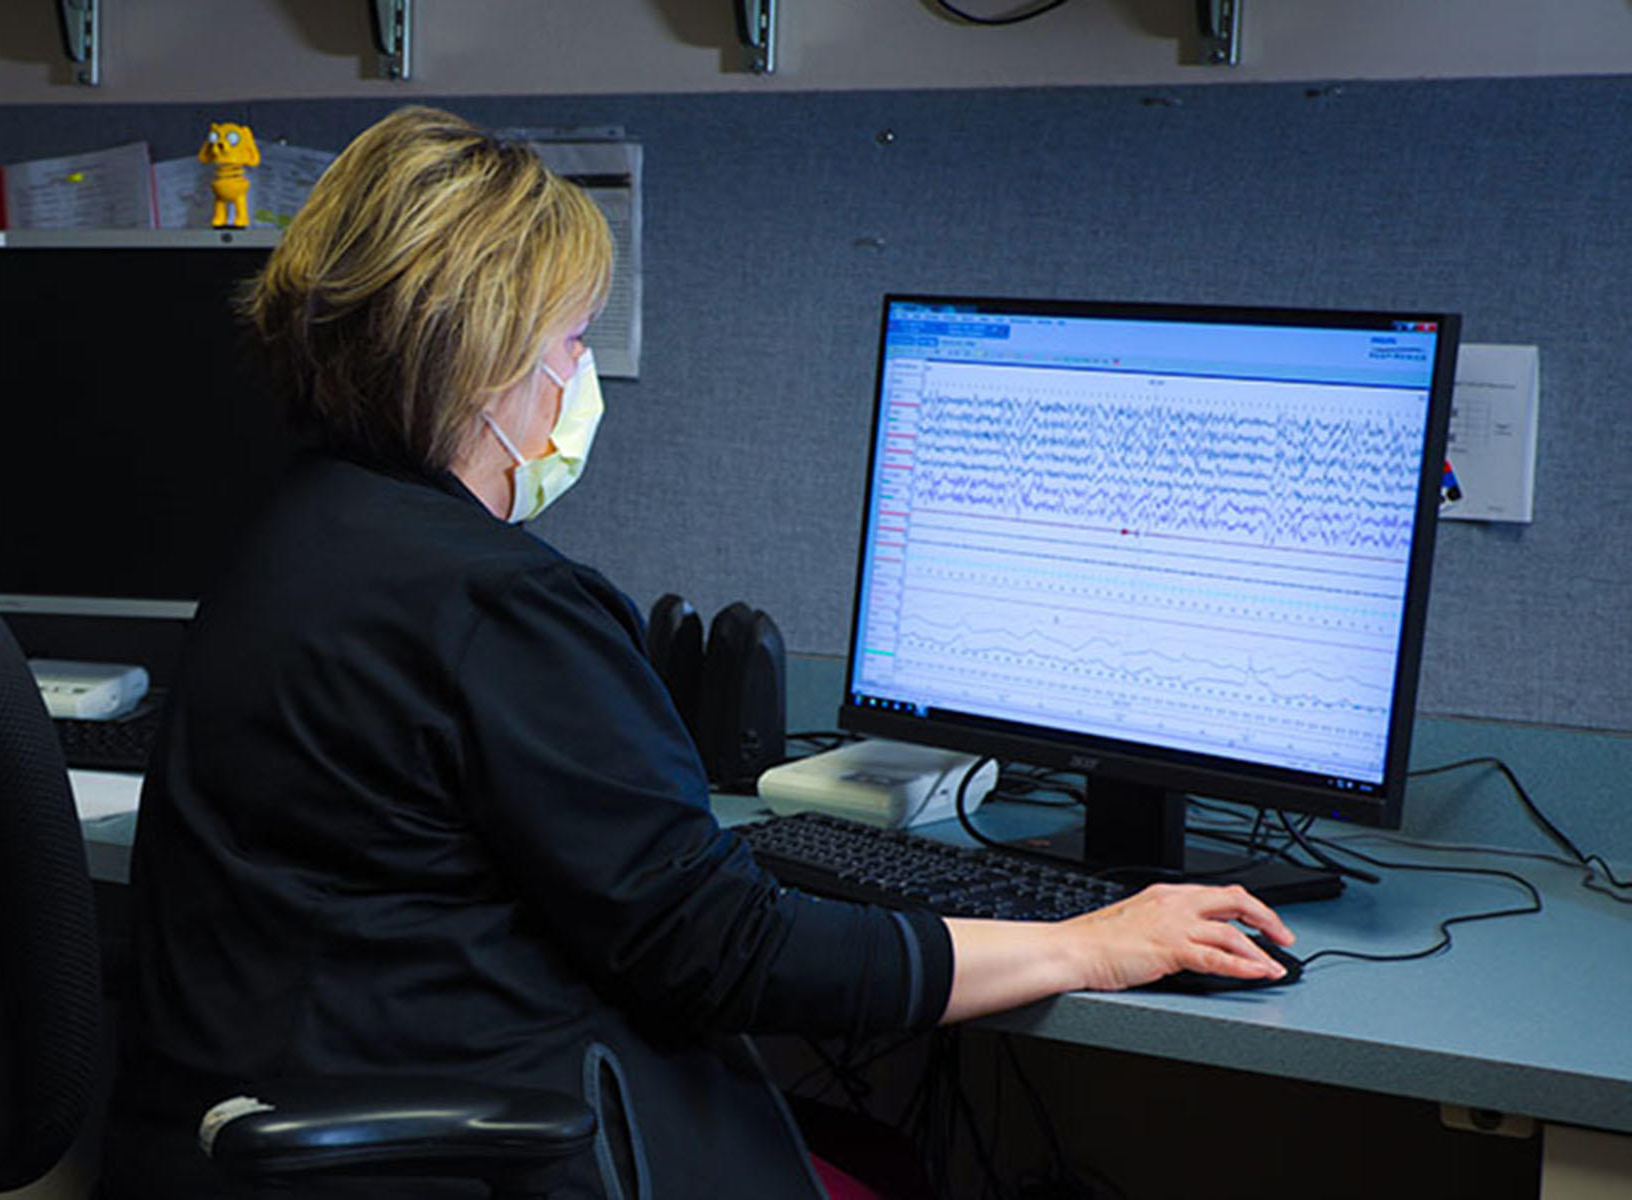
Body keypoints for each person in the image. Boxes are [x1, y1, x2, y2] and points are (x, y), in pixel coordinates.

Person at [102, 105, 1293, 1200]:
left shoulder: (293, 538)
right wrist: (1084, 942)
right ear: (485, 358)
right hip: (443, 1159)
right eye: (569, 340)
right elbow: (729, 952)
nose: (576, 380)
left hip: (257, 1138)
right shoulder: (496, 603)